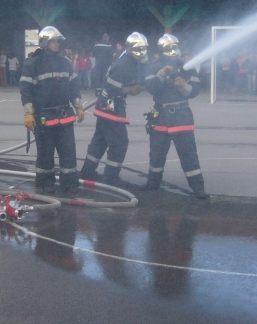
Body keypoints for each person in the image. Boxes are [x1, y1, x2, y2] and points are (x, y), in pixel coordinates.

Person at [21, 26, 84, 194]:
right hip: (44, 117)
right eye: (53, 41)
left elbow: (73, 86)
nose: (57, 44)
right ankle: (44, 184)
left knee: (68, 152)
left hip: (64, 116)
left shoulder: (65, 63)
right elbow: (25, 90)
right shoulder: (33, 63)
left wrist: (78, 106)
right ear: (44, 42)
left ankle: (69, 184)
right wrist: (28, 113)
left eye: (58, 41)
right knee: (45, 154)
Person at [80, 32, 148, 186]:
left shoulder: (129, 60)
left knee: (100, 141)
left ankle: (88, 172)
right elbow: (112, 87)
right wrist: (130, 90)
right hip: (111, 105)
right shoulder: (125, 63)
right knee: (120, 143)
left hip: (107, 105)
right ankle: (111, 177)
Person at [144, 34, 207, 199]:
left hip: (181, 116)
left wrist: (183, 85)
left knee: (188, 154)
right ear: (161, 50)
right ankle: (153, 183)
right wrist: (161, 74)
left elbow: (195, 90)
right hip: (161, 116)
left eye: (174, 47)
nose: (172, 51)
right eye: (168, 48)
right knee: (156, 154)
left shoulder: (187, 67)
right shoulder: (154, 68)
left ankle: (198, 187)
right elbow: (151, 87)